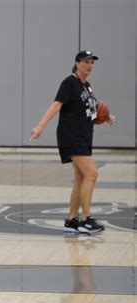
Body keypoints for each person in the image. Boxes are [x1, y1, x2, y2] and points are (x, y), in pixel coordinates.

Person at [31, 50, 116, 235]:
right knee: (92, 174)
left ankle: (71, 221)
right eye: (86, 62)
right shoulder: (69, 83)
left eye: (92, 62)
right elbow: (56, 105)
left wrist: (106, 116)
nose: (89, 65)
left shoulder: (88, 87)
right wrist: (40, 126)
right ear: (77, 63)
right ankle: (86, 219)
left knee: (81, 178)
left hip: (85, 137)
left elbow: (92, 113)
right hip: (71, 136)